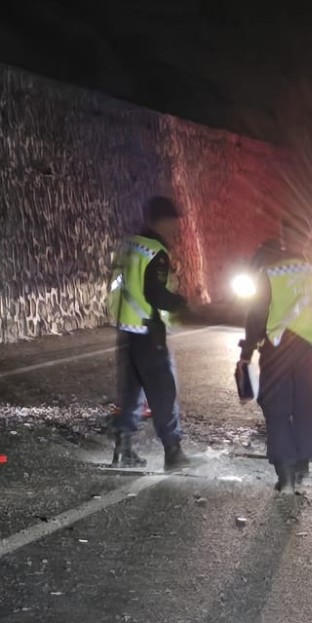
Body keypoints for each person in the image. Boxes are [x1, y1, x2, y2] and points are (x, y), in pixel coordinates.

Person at [241, 219, 312, 492]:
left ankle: (285, 472)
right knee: (307, 406)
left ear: (284, 238)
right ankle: (301, 463)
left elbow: (257, 315)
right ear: (308, 239)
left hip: (278, 348)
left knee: (277, 409)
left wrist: (247, 352)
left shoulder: (272, 273)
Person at [108, 196, 191, 469]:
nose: (175, 229)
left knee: (131, 390)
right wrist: (181, 304)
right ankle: (173, 452)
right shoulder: (156, 251)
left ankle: (123, 445)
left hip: (126, 328)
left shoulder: (130, 245)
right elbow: (154, 293)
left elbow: (118, 284)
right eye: (173, 223)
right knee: (163, 390)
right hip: (148, 329)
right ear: (163, 221)